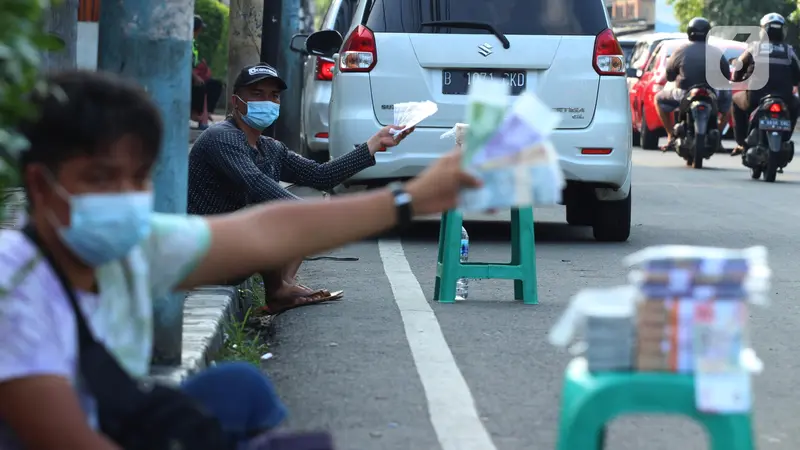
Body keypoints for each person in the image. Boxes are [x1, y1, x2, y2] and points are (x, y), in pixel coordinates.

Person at [0, 70, 479, 449]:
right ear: (41, 187)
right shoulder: (13, 281)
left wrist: (412, 196)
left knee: (238, 386)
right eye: (102, 179)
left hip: (113, 419)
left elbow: (276, 220)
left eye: (139, 178)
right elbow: (65, 438)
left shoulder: (134, 248)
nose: (125, 198)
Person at [188, 62, 415, 314]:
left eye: (274, 96)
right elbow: (256, 185)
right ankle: (278, 290)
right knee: (280, 210)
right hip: (205, 258)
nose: (268, 101)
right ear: (236, 101)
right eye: (257, 94)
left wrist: (375, 143)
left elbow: (321, 175)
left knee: (303, 203)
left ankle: (283, 286)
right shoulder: (222, 138)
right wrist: (314, 218)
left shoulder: (270, 148)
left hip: (234, 251)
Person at [655, 17, 732, 151]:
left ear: (689, 32)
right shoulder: (716, 51)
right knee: (728, 105)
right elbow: (727, 75)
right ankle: (717, 136)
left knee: (658, 99)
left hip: (683, 93)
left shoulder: (680, 50)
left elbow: (670, 75)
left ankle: (670, 136)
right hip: (712, 93)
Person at [730, 12, 800, 156]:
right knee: (796, 105)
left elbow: (738, 70)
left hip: (755, 98)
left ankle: (741, 141)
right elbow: (797, 75)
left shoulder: (754, 47)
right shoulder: (789, 51)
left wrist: (737, 79)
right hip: (784, 99)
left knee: (736, 101)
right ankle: (785, 139)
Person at [192, 14, 223, 130]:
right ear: (198, 29)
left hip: (194, 75)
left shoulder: (194, 43)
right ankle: (197, 114)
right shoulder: (188, 43)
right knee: (201, 87)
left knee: (215, 85)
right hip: (189, 78)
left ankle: (206, 112)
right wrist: (195, 76)